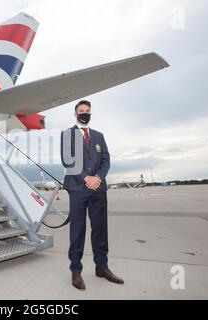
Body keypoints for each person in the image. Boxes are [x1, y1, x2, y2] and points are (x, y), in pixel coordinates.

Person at [60, 100, 124, 290]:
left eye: (88, 111)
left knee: (100, 228)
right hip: (78, 188)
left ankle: (102, 267)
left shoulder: (98, 136)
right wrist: (85, 178)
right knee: (78, 230)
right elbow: (67, 160)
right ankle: (76, 270)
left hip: (98, 189)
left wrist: (97, 177)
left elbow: (106, 159)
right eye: (81, 111)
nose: (85, 113)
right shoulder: (67, 135)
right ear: (75, 114)